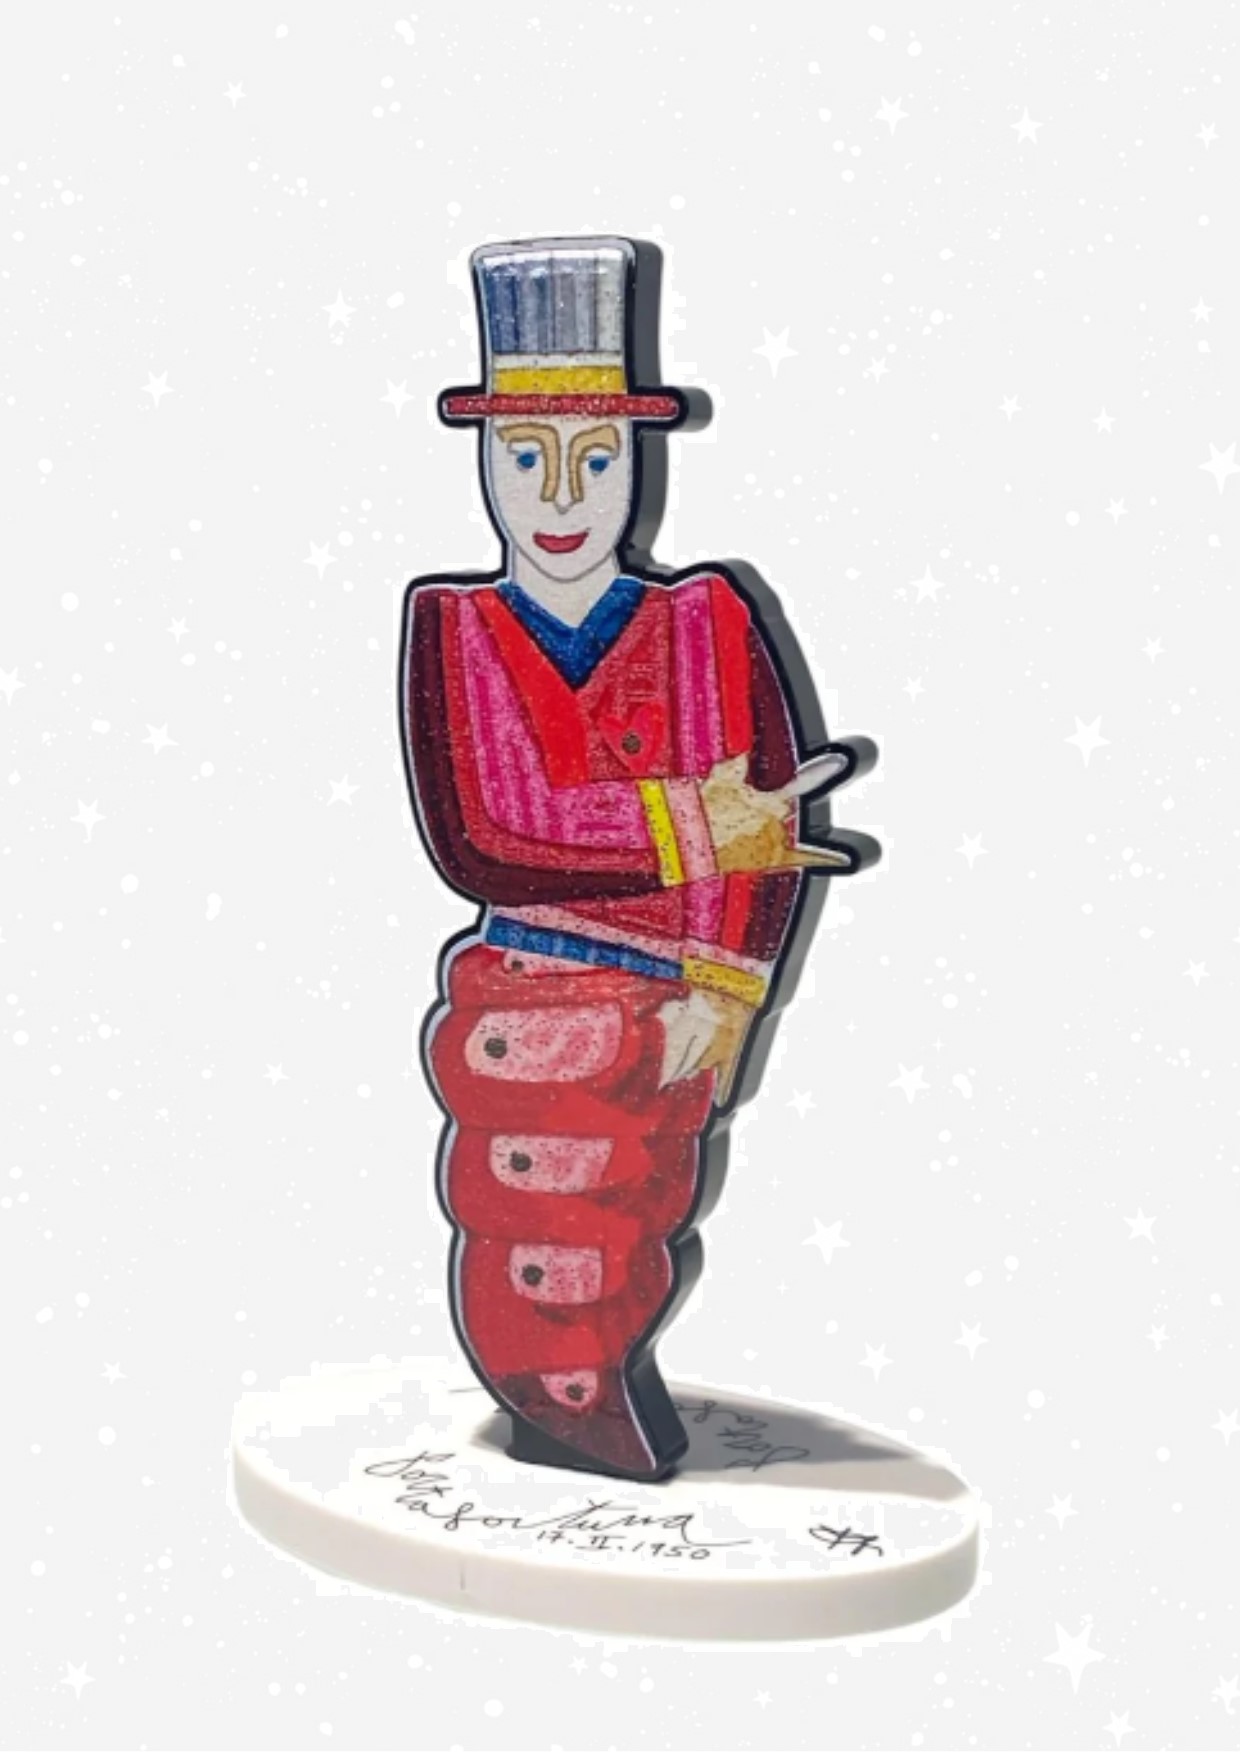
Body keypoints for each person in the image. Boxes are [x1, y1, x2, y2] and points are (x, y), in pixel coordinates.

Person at [400, 237, 875, 1480]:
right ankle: (558, 1409)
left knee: (632, 1223)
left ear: (637, 462)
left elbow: (770, 823)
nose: (560, 496)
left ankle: (599, 1395)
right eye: (526, 458)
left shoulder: (705, 618)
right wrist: (691, 828)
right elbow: (485, 832)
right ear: (486, 464)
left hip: (669, 1014)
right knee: (531, 1244)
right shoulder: (455, 625)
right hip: (521, 1005)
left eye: (596, 459)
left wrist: (728, 988)